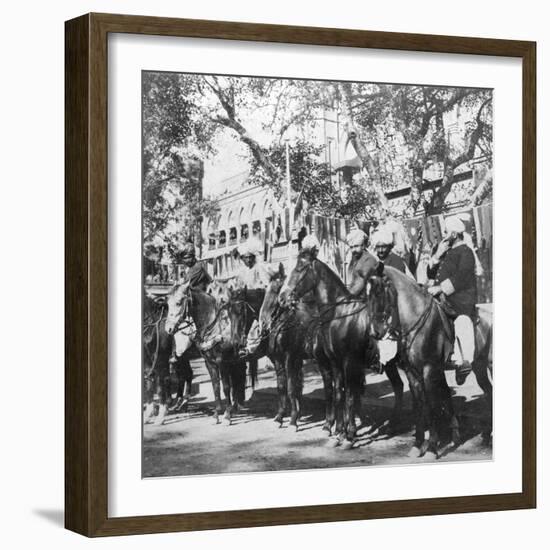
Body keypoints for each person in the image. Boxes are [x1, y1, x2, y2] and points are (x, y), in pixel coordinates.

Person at [427, 216, 477, 385]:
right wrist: (437, 255)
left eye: (446, 232)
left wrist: (440, 288)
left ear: (454, 234)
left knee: (461, 320)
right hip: (444, 296)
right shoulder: (446, 251)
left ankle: (463, 361)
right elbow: (430, 274)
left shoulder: (466, 252)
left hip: (461, 297)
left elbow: (461, 277)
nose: (444, 235)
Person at [346, 228, 379, 299]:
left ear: (363, 246)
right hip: (357, 296)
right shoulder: (355, 259)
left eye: (356, 246)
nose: (353, 250)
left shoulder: (369, 260)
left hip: (369, 299)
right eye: (351, 247)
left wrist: (347, 296)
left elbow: (361, 283)